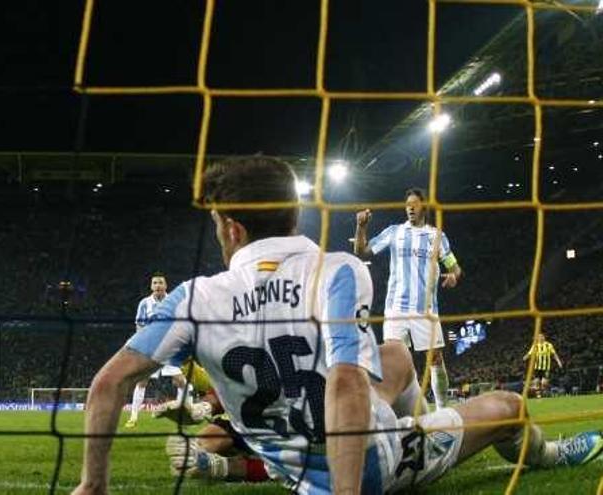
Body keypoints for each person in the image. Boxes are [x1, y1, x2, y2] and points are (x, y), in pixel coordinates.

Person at [71, 156, 602, 494]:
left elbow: (107, 384)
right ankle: (547, 453)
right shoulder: (337, 270)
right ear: (293, 217)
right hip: (365, 468)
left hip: (289, 453)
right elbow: (345, 381)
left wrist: (93, 485)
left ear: (231, 229)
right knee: (509, 408)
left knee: (394, 355)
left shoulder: (193, 297)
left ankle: (420, 421)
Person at [353, 188, 461, 410]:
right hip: (396, 309)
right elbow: (362, 252)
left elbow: (454, 267)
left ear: (423, 207)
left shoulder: (436, 236)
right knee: (393, 361)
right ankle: (390, 412)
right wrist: (361, 226)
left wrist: (453, 276)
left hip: (425, 309)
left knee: (435, 359)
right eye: (407, 204)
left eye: (415, 203)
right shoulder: (394, 232)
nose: (410, 207)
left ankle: (442, 410)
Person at [125, 272, 190, 428]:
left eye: (161, 282)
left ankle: (183, 414)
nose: (158, 285)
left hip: (169, 348)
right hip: (150, 349)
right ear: (151, 286)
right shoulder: (144, 303)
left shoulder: (174, 301)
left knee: (181, 382)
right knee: (142, 381)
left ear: (165, 286)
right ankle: (133, 417)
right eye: (155, 283)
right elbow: (139, 325)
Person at [523, 333, 563, 398]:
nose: (540, 338)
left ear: (544, 338)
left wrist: (558, 361)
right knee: (537, 381)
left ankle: (541, 391)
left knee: (544, 383)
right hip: (537, 367)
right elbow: (530, 353)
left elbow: (554, 354)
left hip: (546, 367)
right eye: (539, 337)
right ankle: (538, 395)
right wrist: (525, 357)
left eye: (542, 337)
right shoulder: (535, 346)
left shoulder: (548, 345)